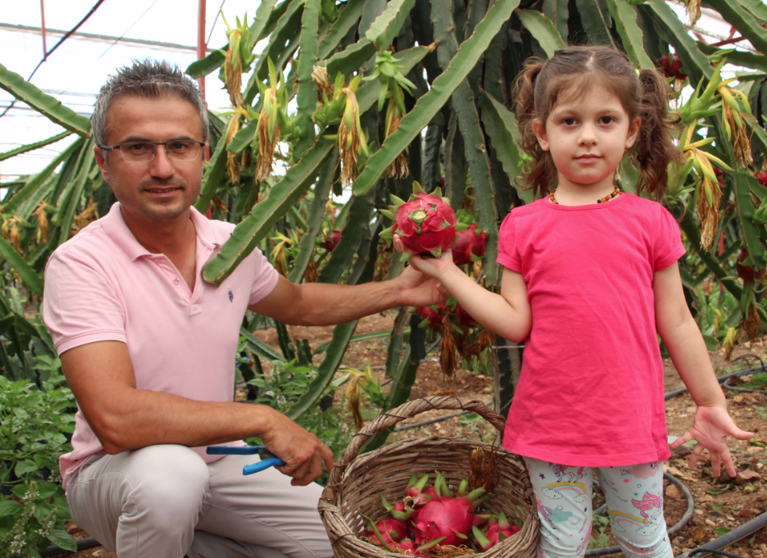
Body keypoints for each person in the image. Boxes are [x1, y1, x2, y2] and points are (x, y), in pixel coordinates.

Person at [42, 59, 446, 558]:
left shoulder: (230, 246)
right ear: (104, 162)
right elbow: (115, 418)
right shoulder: (82, 263)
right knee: (171, 478)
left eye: (180, 146)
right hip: (117, 472)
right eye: (138, 148)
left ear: (204, 154)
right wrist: (262, 419)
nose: (163, 167)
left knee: (336, 544)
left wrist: (401, 290)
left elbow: (297, 302)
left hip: (216, 462)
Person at [395, 46, 754, 558]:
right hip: (550, 426)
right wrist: (449, 273)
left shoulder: (651, 221)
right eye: (570, 121)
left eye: (605, 120)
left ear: (631, 131)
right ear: (542, 133)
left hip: (629, 423)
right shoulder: (523, 224)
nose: (588, 135)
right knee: (562, 545)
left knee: (644, 540)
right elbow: (515, 323)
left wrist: (710, 400)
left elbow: (676, 320)